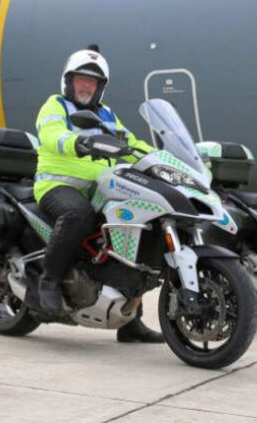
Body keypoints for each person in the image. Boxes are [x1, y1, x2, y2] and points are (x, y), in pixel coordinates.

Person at [33, 45, 163, 343]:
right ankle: (49, 280)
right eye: (81, 79)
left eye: (92, 82)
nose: (86, 85)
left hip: (100, 188)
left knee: (138, 229)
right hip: (58, 186)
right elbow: (52, 135)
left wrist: (160, 159)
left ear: (100, 87)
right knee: (77, 214)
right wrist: (79, 143)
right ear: (69, 80)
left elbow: (129, 143)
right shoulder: (55, 105)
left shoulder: (106, 114)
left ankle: (130, 320)